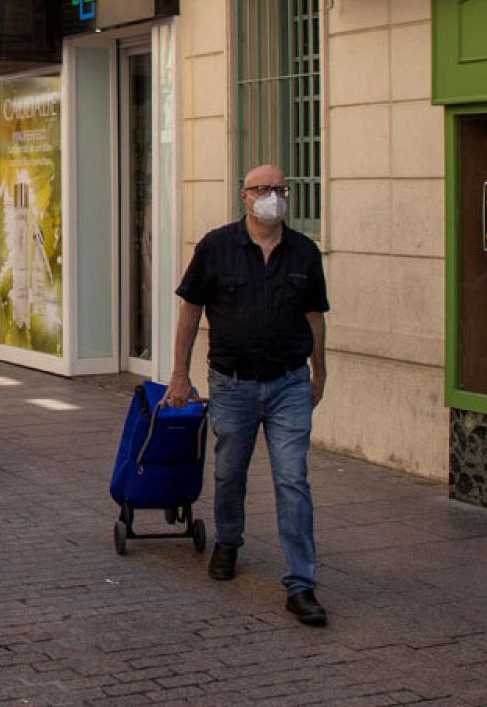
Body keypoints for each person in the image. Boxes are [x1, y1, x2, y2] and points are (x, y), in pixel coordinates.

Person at [165, 163, 330, 627]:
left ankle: (301, 584)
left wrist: (321, 371)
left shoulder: (304, 253)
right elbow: (190, 313)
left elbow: (315, 317)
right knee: (229, 473)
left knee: (292, 480)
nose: (272, 196)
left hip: (289, 384)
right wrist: (180, 374)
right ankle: (228, 542)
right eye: (262, 189)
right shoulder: (216, 247)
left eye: (279, 188)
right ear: (244, 196)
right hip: (232, 384)